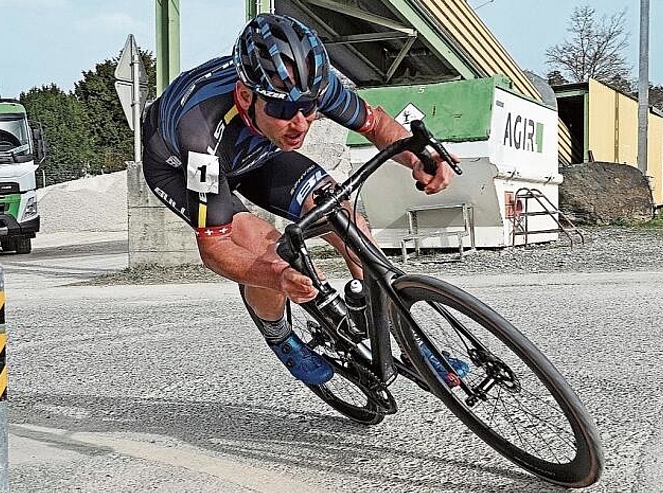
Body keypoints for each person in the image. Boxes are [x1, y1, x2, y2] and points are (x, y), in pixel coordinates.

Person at [141, 14, 456, 386]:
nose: (301, 123)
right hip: (183, 166)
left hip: (259, 149)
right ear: (245, 96)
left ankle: (403, 334)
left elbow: (374, 124)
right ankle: (280, 337)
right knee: (267, 251)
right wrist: (274, 274)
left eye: (308, 108)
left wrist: (419, 158)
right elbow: (215, 249)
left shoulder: (308, 88)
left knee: (351, 225)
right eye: (283, 110)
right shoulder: (199, 132)